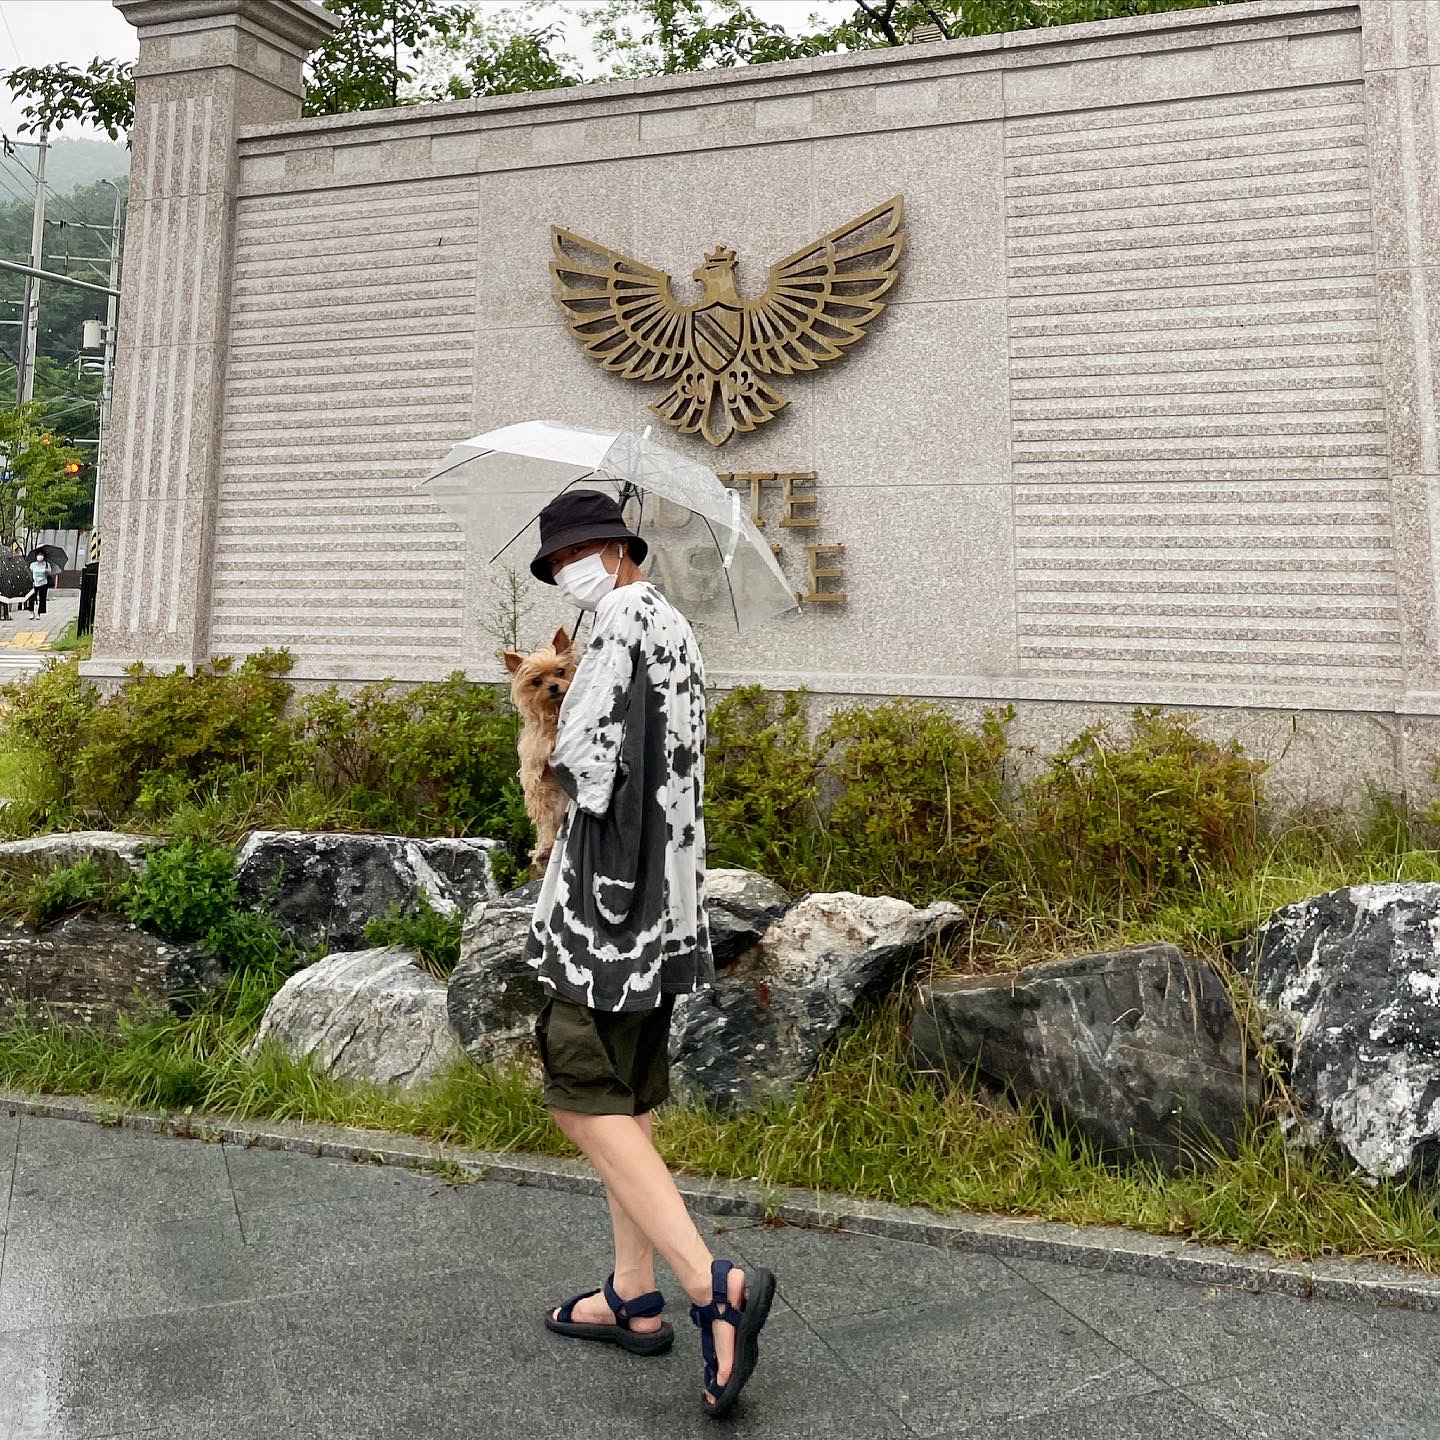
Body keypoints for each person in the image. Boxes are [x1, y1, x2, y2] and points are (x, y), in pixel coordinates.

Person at [525, 488, 775, 1419]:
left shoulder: (620, 623)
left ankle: (713, 1287)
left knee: (579, 1096)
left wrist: (552, 745)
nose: (566, 573)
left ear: (613, 547)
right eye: (557, 563)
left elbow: (584, 760)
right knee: (626, 1096)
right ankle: (633, 1295)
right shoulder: (671, 623)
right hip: (661, 899)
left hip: (603, 902)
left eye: (573, 555)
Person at [26, 551, 50, 616]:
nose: (40, 556)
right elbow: (30, 572)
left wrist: (47, 571)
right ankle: (32, 612)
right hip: (34, 583)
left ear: (44, 556)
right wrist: (31, 580)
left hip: (43, 583)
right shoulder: (33, 564)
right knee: (32, 598)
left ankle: (39, 613)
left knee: (42, 599)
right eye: (38, 554)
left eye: (41, 554)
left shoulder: (46, 564)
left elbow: (50, 573)